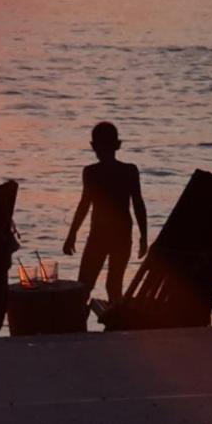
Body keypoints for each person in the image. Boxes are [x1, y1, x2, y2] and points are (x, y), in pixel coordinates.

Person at [62, 121, 148, 304]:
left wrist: (72, 235)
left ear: (94, 146)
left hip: (101, 236)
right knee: (109, 286)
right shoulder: (128, 171)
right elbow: (138, 205)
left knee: (86, 286)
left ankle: (90, 327)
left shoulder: (92, 172)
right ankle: (115, 327)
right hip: (118, 235)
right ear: (117, 145)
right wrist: (143, 236)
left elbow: (84, 206)